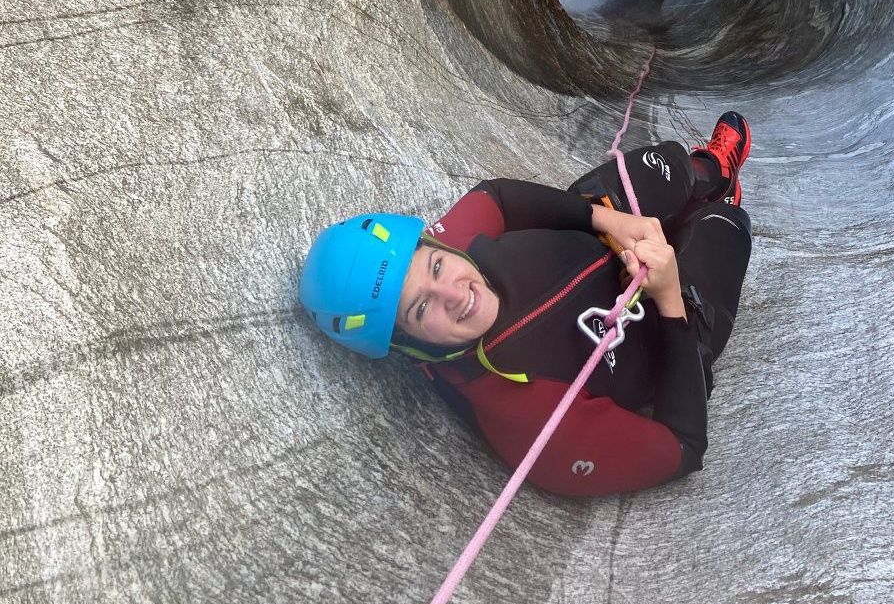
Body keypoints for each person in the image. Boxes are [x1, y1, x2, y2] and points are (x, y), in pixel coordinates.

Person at [299, 112, 753, 496]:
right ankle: (709, 208)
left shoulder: (445, 248)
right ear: (406, 345)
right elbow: (683, 445)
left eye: (436, 268)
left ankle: (708, 170)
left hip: (608, 241)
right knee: (723, 225)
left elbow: (496, 196)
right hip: (666, 328)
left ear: (435, 248)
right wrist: (671, 299)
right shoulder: (530, 422)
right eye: (421, 310)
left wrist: (602, 217)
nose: (456, 294)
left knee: (626, 182)